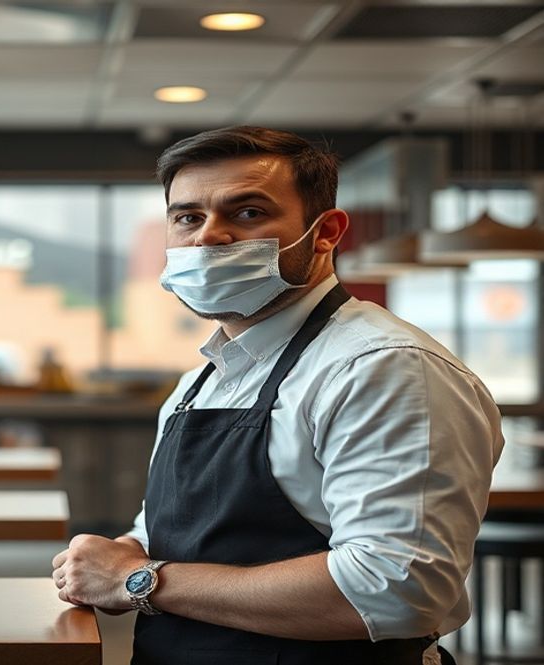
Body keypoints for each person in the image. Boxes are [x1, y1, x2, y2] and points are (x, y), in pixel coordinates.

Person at [51, 126, 504, 665]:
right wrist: (123, 553)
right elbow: (170, 536)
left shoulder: (384, 368)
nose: (208, 236)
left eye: (247, 213)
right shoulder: (204, 379)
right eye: (188, 217)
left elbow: (394, 592)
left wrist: (138, 580)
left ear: (326, 233)